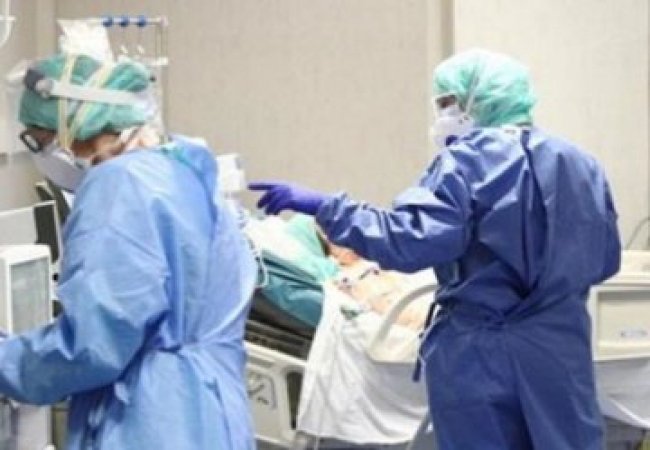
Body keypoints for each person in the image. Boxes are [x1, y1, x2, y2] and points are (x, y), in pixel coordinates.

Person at [250, 49, 621, 450]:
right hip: (558, 348)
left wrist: (327, 208)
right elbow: (604, 259)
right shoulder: (581, 165)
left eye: (447, 103)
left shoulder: (466, 163)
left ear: (476, 101)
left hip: (479, 355)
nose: (442, 114)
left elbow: (409, 241)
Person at [1, 53, 257, 449]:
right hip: (212, 413)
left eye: (39, 139)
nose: (40, 154)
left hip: (156, 419)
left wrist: (7, 359)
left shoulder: (119, 185)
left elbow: (92, 345)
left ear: (72, 126)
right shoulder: (184, 171)